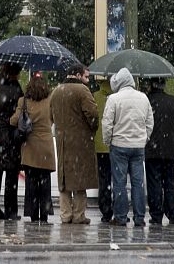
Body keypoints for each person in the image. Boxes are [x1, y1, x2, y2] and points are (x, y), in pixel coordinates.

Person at [102, 67, 154, 227]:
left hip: (119, 145)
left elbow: (107, 123)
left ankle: (121, 216)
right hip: (138, 147)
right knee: (138, 183)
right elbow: (150, 122)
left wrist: (108, 140)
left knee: (119, 183)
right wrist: (144, 138)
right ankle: (139, 218)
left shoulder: (113, 99)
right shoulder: (143, 98)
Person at [49, 62, 99, 225]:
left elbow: (50, 116)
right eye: (85, 77)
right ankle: (79, 215)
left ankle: (65, 215)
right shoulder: (82, 90)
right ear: (77, 75)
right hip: (80, 141)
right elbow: (92, 113)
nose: (87, 81)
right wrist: (92, 128)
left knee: (64, 179)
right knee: (80, 179)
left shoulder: (56, 91)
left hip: (62, 140)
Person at [143, 77, 174, 225]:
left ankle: (156, 214)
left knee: (154, 183)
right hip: (171, 151)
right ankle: (173, 213)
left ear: (151, 85)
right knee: (169, 182)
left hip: (152, 150)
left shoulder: (147, 101)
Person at [10, 73, 56, 224]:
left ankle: (32, 214)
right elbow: (54, 118)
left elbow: (14, 120)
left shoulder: (23, 101)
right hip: (46, 147)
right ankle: (44, 214)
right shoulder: (50, 100)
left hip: (30, 146)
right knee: (45, 183)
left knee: (31, 184)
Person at [0, 62, 24, 220]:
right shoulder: (15, 89)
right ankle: (11, 210)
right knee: (11, 174)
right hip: (10, 138)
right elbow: (20, 114)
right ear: (16, 73)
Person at [92, 76, 113, 223]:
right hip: (115, 145)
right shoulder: (116, 98)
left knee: (103, 180)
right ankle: (118, 209)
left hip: (99, 146)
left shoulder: (94, 97)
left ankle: (105, 209)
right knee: (118, 179)